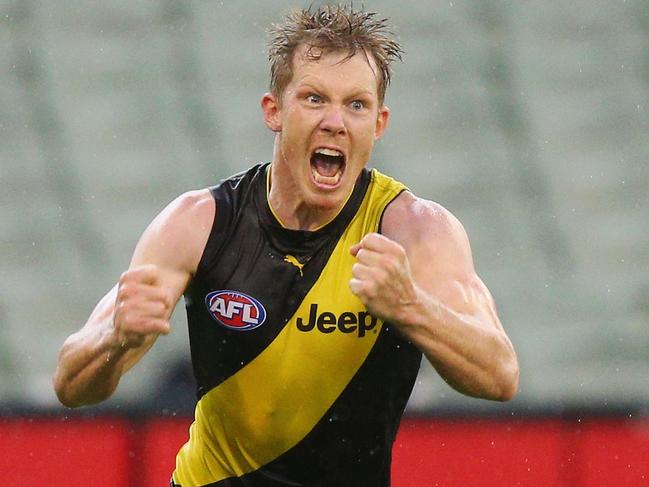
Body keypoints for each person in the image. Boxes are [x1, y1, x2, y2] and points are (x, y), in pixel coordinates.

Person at [53, 5, 519, 486]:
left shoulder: (414, 229)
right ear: (274, 110)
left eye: (356, 105)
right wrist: (115, 338)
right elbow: (71, 384)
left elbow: (499, 374)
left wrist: (411, 307)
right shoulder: (200, 222)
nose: (336, 122)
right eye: (315, 99)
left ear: (378, 124)